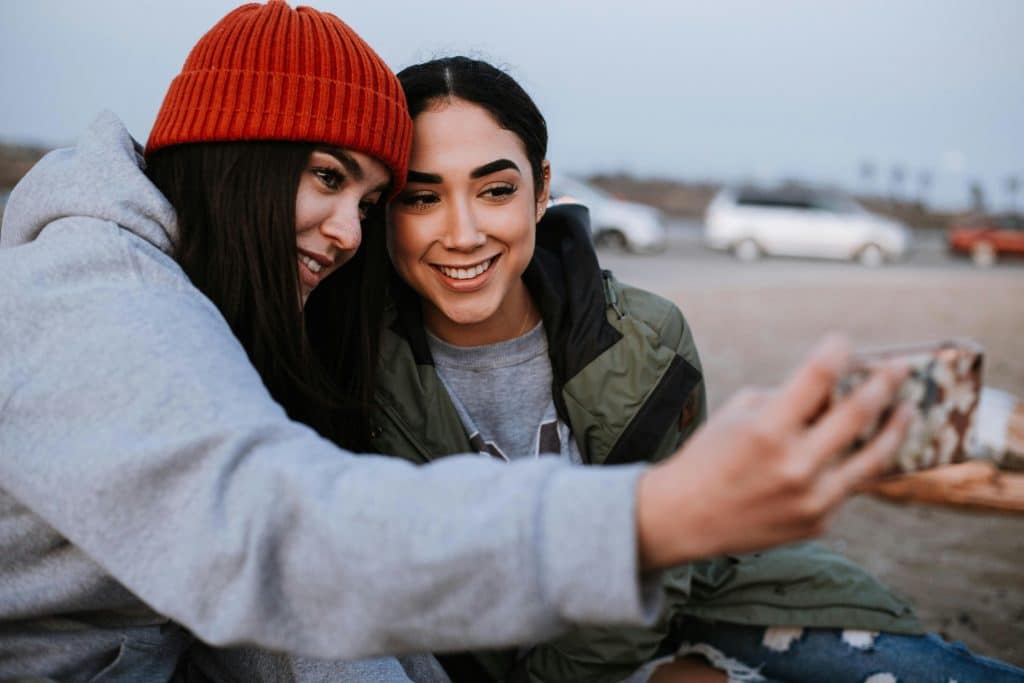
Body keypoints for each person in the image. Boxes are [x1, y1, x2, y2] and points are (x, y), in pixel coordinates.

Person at [0, 2, 919, 681]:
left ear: (543, 189)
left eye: (367, 199)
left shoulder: (640, 331)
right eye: (330, 178)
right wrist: (652, 513)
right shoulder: (107, 301)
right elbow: (282, 539)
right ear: (237, 153)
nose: (348, 232)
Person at [372, 55, 1024, 682]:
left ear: (542, 191)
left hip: (690, 609)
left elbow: (665, 573)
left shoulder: (647, 337)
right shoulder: (350, 368)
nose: (463, 233)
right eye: (422, 198)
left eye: (496, 190)